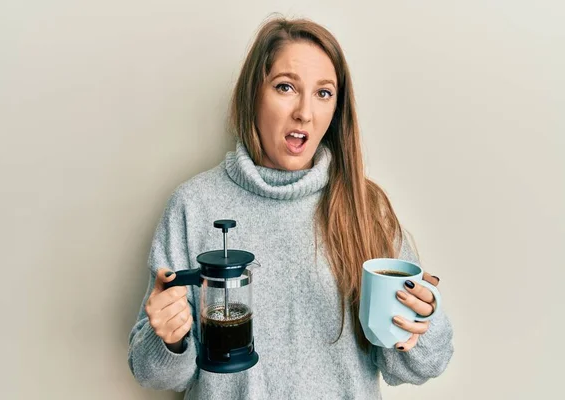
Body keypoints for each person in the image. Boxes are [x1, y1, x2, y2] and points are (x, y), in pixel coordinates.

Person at [127, 16, 454, 400]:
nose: (304, 112)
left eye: (323, 93)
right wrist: (168, 339)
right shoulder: (192, 205)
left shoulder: (364, 208)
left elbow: (422, 367)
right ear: (254, 94)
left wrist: (419, 320)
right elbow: (153, 374)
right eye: (286, 87)